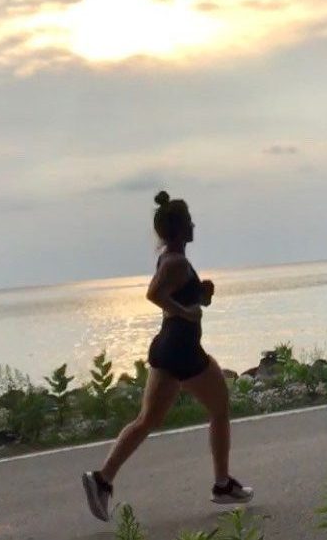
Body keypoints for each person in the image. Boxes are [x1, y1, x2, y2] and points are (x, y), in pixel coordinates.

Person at [82, 191, 253, 522]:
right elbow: (154, 294)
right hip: (182, 351)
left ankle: (101, 479)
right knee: (219, 408)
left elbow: (175, 295)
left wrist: (199, 296)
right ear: (178, 230)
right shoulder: (174, 262)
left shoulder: (173, 260)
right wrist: (184, 313)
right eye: (189, 221)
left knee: (148, 420)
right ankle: (221, 484)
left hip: (170, 348)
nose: (194, 225)